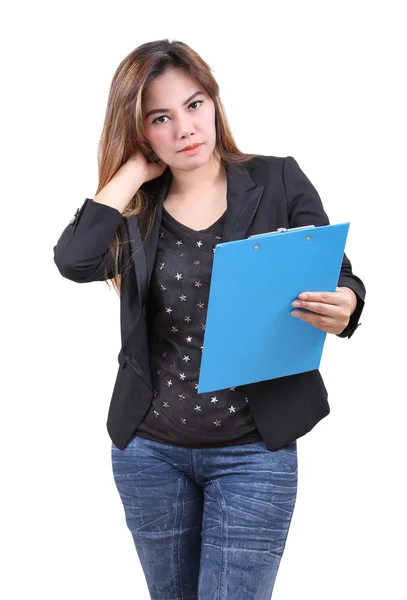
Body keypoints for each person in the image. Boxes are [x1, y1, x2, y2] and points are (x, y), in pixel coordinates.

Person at [53, 39, 366, 600]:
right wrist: (130, 172)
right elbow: (75, 261)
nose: (185, 129)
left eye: (194, 105)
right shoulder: (137, 209)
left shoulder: (278, 180)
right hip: (149, 452)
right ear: (141, 131)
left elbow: (336, 273)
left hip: (253, 451)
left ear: (214, 102)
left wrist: (346, 303)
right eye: (160, 118)